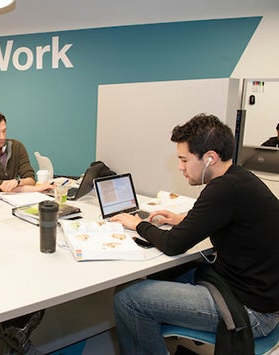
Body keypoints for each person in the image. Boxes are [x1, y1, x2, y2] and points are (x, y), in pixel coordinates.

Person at [111, 114, 279, 354]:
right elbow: (224, 218)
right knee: (165, 275)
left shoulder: (223, 189)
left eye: (184, 160)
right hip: (254, 293)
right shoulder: (239, 178)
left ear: (210, 158)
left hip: (250, 311)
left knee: (128, 299)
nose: (180, 167)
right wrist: (182, 219)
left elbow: (173, 244)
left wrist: (137, 224)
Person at [0, 109, 53, 192]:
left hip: (13, 199)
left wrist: (17, 182)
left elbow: (30, 179)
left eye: (4, 131)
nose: (2, 137)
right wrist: (37, 189)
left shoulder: (17, 146)